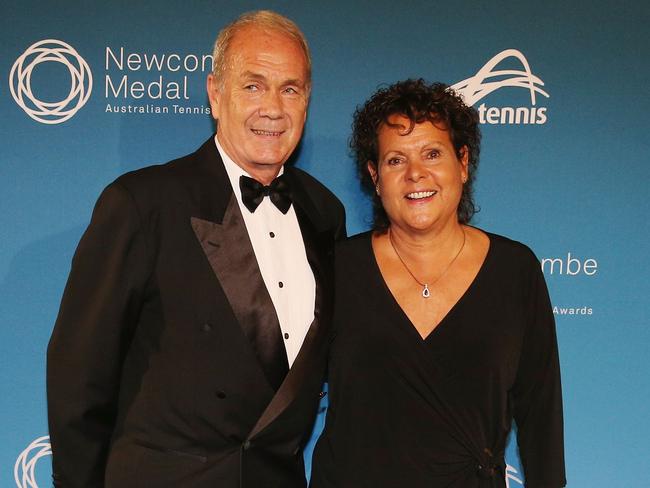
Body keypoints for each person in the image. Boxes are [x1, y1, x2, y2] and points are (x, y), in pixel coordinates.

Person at [47, 10, 345, 488]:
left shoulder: (324, 212)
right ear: (214, 92)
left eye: (290, 88)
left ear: (307, 99)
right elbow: (79, 376)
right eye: (253, 85)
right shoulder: (143, 203)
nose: (273, 107)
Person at [310, 79, 565, 488]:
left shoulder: (515, 271)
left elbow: (540, 412)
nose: (416, 174)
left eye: (432, 153)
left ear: (462, 162)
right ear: (375, 176)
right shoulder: (336, 268)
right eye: (395, 160)